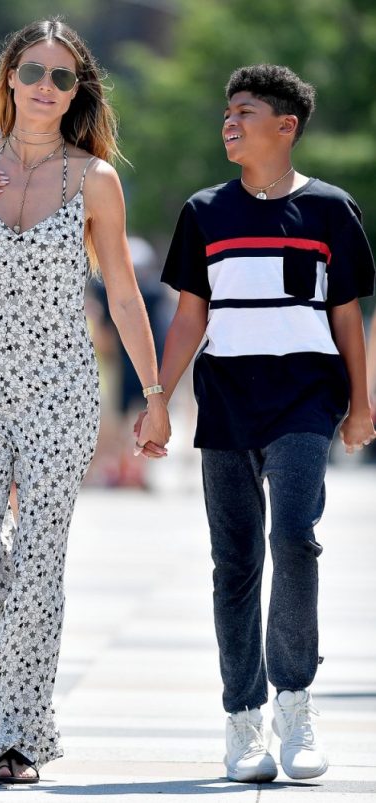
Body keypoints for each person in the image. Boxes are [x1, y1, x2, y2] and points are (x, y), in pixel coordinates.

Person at [0, 18, 169, 784]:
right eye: (34, 72)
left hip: (59, 388)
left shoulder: (95, 179)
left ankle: (12, 730)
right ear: (9, 79)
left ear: (77, 93)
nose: (47, 87)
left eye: (63, 77)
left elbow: (123, 294)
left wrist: (154, 395)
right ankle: (6, 685)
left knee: (41, 561)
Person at [141, 64, 375, 783]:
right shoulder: (204, 212)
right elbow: (190, 316)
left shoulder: (331, 209)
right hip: (227, 401)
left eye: (244, 111)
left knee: (294, 539)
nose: (230, 122)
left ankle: (294, 704)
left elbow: (346, 316)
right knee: (235, 562)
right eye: (227, 112)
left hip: (305, 398)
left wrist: (362, 404)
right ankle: (242, 719)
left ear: (285, 126)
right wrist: (157, 397)